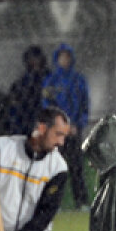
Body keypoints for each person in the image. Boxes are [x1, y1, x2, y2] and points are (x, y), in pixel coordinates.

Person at [42, 43, 91, 208]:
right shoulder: (51, 81)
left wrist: (77, 124)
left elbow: (85, 105)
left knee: (77, 167)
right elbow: (46, 104)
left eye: (67, 57)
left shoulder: (78, 80)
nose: (65, 60)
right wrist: (56, 126)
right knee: (55, 167)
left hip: (74, 130)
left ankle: (81, 201)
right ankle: (53, 202)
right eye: (62, 57)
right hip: (56, 132)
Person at [7, 45, 49, 135]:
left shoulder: (50, 78)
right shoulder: (23, 81)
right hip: (26, 117)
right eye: (32, 59)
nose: (36, 62)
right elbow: (14, 98)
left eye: (38, 58)